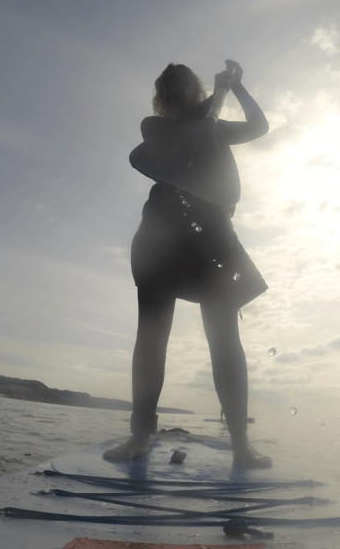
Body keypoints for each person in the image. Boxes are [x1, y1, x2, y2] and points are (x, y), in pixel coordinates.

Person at [104, 60, 271, 468]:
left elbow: (259, 126)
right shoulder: (156, 128)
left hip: (210, 241)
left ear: (194, 94)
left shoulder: (214, 127)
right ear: (161, 102)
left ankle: (241, 444)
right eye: (168, 87)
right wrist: (221, 92)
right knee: (151, 337)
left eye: (185, 84)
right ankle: (141, 435)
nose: (176, 89)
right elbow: (193, 126)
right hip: (160, 237)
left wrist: (238, 90)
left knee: (225, 339)